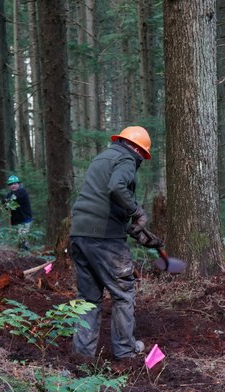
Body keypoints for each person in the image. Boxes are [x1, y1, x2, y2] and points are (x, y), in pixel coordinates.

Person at [69, 126, 163, 360]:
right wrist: (136, 210)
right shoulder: (127, 159)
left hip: (79, 234)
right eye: (143, 156)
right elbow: (116, 187)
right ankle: (125, 351)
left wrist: (133, 231)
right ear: (138, 150)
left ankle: (82, 355)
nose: (141, 160)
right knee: (123, 293)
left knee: (88, 298)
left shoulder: (103, 157)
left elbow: (102, 199)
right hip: (104, 238)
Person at [5, 174, 33, 250]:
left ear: (18, 184)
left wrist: (6, 201)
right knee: (17, 241)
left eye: (15, 184)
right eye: (11, 184)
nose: (13, 186)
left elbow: (14, 199)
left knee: (22, 239)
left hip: (24, 220)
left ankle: (26, 255)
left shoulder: (22, 192)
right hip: (15, 222)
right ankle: (21, 256)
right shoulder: (9, 194)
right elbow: (6, 206)